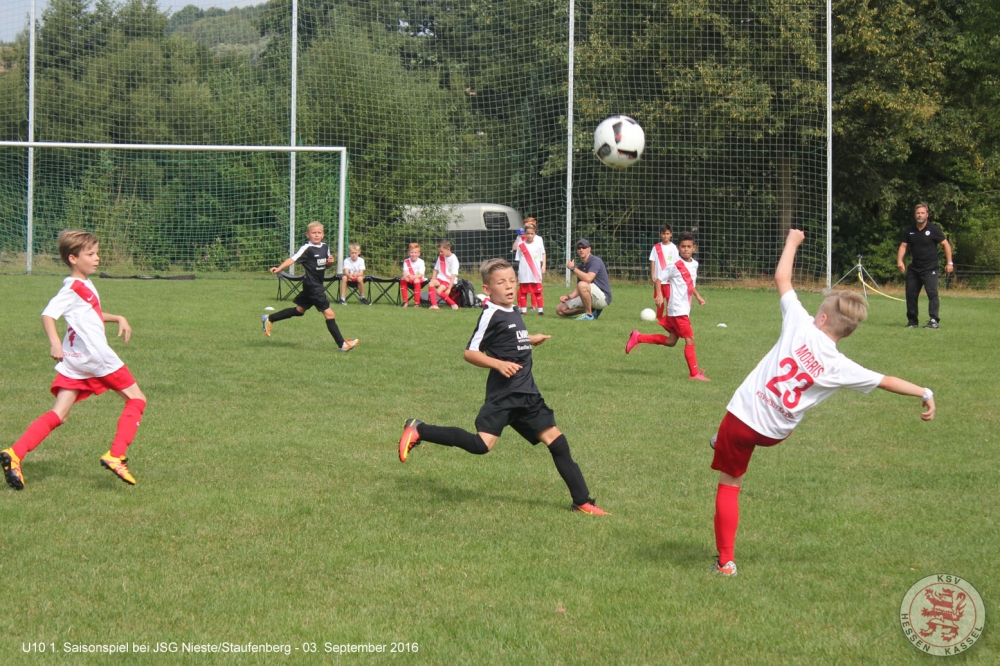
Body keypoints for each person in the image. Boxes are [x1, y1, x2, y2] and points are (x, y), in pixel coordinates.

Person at [709, 229, 937, 577]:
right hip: (775, 431)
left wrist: (792, 242)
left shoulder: (800, 324)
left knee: (730, 483)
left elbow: (782, 278)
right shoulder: (840, 366)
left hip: (743, 418)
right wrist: (924, 392)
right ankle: (722, 444)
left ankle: (726, 562)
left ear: (823, 318)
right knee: (758, 435)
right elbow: (886, 381)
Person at [397, 258, 608, 515]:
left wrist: (528, 338)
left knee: (558, 442)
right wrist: (498, 364)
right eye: (501, 283)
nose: (509, 286)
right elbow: (470, 352)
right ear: (487, 289)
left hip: (527, 394)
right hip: (505, 396)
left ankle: (582, 502)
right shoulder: (490, 314)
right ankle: (419, 429)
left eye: (512, 281)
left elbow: (509, 337)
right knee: (480, 445)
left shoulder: (511, 309)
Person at [1, 230, 148, 490]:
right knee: (137, 399)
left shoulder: (84, 285)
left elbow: (90, 313)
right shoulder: (72, 288)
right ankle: (116, 455)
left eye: (97, 253)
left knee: (59, 414)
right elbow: (48, 315)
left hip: (75, 360)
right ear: (73, 258)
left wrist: (118, 317)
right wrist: (54, 342)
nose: (97, 258)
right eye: (90, 254)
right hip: (96, 357)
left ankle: (15, 454)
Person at [261, 221, 359, 352]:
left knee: (299, 311)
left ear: (323, 234)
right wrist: (279, 268)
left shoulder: (325, 247)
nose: (316, 235)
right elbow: (292, 259)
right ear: (308, 235)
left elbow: (325, 265)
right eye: (314, 233)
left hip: (315, 285)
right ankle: (342, 345)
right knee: (329, 314)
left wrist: (330, 262)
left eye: (319, 232)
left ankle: (269, 318)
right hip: (313, 286)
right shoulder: (306, 248)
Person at [626, 232, 709, 381]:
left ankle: (638, 337)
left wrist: (697, 296)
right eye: (683, 246)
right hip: (677, 309)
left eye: (689, 246)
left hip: (683, 308)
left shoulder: (694, 264)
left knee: (671, 341)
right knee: (690, 339)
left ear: (694, 248)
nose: (686, 249)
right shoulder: (674, 265)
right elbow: (659, 280)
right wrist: (659, 294)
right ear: (678, 248)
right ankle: (694, 374)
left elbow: (689, 283)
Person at [897, 202, 953, 329]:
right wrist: (899, 260)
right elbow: (903, 246)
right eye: (918, 213)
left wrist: (949, 262)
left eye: (922, 213)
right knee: (910, 295)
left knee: (932, 293)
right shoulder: (910, 230)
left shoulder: (933, 229)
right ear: (914, 215)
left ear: (927, 214)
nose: (920, 215)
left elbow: (946, 244)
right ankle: (912, 321)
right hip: (914, 268)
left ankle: (934, 321)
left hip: (930, 268)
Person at [556, 239, 613, 320]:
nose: (581, 249)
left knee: (582, 285)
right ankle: (592, 310)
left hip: (602, 298)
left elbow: (588, 279)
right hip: (589, 295)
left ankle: (589, 315)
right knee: (560, 310)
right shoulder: (580, 267)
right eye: (579, 248)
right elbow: (578, 289)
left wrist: (573, 268)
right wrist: (568, 296)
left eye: (584, 247)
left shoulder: (595, 261)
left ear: (589, 249)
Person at [512, 218, 546, 315]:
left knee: (537, 292)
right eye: (528, 233)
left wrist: (543, 266)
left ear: (535, 234)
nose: (530, 235)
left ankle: (540, 310)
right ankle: (523, 310)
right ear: (525, 234)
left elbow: (540, 256)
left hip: (535, 273)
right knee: (523, 292)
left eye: (532, 233)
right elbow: (519, 259)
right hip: (524, 273)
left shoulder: (538, 244)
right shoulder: (521, 245)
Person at [649, 224, 678, 319]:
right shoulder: (656, 247)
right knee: (659, 299)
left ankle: (669, 317)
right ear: (660, 234)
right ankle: (659, 317)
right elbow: (653, 261)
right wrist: (652, 274)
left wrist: (673, 275)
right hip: (659, 279)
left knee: (670, 299)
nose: (665, 236)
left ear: (671, 234)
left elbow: (676, 263)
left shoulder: (674, 248)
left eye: (667, 234)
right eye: (663, 234)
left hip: (669, 279)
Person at [428, 240, 460, 310]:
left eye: (442, 251)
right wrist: (433, 279)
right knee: (431, 283)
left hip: (449, 280)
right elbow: (435, 269)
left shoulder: (453, 259)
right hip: (441, 278)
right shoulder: (441, 257)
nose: (440, 253)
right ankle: (434, 305)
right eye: (439, 251)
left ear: (448, 248)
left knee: (438, 291)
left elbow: (453, 275)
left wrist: (449, 289)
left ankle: (453, 304)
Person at [400, 242, 426, 308]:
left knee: (416, 280)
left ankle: (417, 303)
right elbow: (405, 271)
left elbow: (421, 274)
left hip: (419, 279)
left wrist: (414, 277)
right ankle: (405, 301)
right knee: (402, 278)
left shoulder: (421, 262)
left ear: (419, 253)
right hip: (409, 279)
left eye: (415, 252)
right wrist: (405, 276)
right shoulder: (406, 261)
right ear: (408, 253)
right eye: (412, 252)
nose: (413, 254)